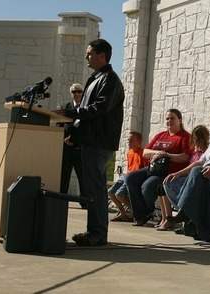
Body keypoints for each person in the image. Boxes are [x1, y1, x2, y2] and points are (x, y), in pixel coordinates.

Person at [63, 38, 125, 246]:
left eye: (89, 53)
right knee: (93, 188)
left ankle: (97, 233)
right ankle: (95, 231)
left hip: (99, 143)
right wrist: (76, 135)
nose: (86, 56)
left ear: (102, 55)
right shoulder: (96, 78)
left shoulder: (110, 80)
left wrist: (68, 113)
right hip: (90, 141)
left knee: (96, 188)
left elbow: (99, 110)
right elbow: (88, 116)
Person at [163, 110, 210, 235]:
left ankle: (184, 213)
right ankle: (190, 215)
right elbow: (199, 161)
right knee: (169, 182)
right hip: (198, 175)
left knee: (197, 171)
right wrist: (178, 173)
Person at [125, 109, 192, 227]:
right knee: (130, 178)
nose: (169, 121)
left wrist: (167, 155)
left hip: (169, 171)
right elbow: (145, 152)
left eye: (172, 118)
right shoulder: (160, 135)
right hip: (152, 168)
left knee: (147, 187)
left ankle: (146, 211)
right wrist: (157, 152)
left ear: (180, 120)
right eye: (167, 118)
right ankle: (141, 214)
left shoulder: (185, 136)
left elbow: (185, 157)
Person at [155, 125, 210, 231]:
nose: (194, 141)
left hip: (197, 181)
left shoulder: (206, 152)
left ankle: (184, 214)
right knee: (162, 186)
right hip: (188, 178)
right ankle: (167, 217)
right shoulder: (195, 152)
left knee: (174, 187)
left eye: (196, 139)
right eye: (194, 139)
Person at [108, 132, 148, 222]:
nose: (129, 142)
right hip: (126, 175)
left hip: (134, 178)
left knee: (119, 194)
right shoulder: (129, 152)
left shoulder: (143, 153)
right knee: (111, 193)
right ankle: (123, 213)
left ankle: (136, 210)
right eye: (128, 140)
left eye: (132, 140)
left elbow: (146, 168)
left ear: (139, 141)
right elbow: (130, 167)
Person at [59, 83, 86, 208]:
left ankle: (84, 201)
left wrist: (75, 140)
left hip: (79, 149)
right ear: (71, 94)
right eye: (74, 92)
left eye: (79, 91)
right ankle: (61, 200)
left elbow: (87, 129)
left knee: (83, 176)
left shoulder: (86, 108)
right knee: (63, 175)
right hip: (66, 149)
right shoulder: (66, 107)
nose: (77, 94)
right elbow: (59, 124)